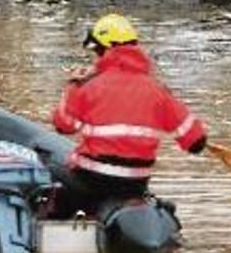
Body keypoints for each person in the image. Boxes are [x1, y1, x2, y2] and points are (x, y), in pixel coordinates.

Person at [52, 14, 207, 215]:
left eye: (96, 51)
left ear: (104, 50)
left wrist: (73, 84)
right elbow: (196, 143)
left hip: (91, 179)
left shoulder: (90, 87)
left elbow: (63, 125)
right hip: (135, 183)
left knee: (47, 171)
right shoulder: (157, 91)